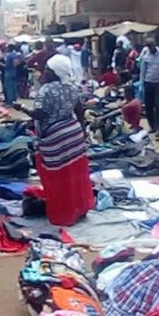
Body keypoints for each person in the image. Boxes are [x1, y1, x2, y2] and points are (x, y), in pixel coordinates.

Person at [14, 55, 94, 226]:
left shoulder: (46, 90)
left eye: (47, 70)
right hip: (73, 133)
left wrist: (22, 108)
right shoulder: (71, 87)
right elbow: (79, 110)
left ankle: (63, 212)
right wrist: (81, 132)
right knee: (76, 175)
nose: (44, 72)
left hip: (55, 138)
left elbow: (39, 114)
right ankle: (80, 207)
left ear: (55, 73)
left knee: (57, 178)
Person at [139, 39, 159, 137]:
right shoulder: (145, 56)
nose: (150, 48)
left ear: (154, 45)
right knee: (148, 106)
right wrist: (142, 85)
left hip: (158, 83)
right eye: (148, 46)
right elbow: (143, 72)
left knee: (158, 105)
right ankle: (152, 126)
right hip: (148, 83)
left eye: (151, 46)